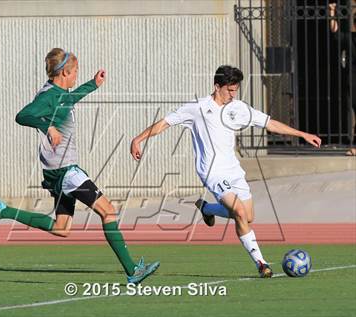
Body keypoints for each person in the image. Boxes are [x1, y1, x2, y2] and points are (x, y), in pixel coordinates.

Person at [0, 48, 159, 284]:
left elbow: (69, 99)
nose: (75, 77)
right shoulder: (49, 96)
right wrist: (48, 128)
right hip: (66, 171)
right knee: (108, 211)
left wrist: (91, 85)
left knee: (62, 227)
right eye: (75, 73)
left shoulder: (57, 92)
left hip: (59, 170)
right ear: (64, 72)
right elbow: (22, 115)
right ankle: (132, 270)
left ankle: (4, 211)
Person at [130, 65, 321, 278]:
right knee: (239, 212)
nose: (233, 95)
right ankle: (261, 263)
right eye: (229, 90)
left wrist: (302, 134)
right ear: (217, 86)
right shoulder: (197, 108)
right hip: (212, 172)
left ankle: (208, 209)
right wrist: (138, 139)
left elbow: (269, 123)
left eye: (235, 90)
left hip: (233, 171)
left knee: (248, 217)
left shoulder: (238, 108)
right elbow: (164, 123)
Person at [329, 2, 356, 156]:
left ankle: (352, 145)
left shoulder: (349, 37)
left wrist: (332, 13)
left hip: (351, 79)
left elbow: (335, 31)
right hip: (352, 78)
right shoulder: (350, 38)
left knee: (350, 111)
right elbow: (336, 33)